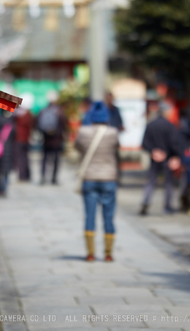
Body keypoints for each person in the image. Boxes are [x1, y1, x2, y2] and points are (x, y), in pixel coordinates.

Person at [75, 101, 120, 261]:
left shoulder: (83, 132)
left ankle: (90, 253)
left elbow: (78, 148)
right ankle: (108, 254)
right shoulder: (113, 132)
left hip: (89, 178)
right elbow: (116, 149)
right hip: (109, 178)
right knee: (108, 216)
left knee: (89, 215)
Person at [139, 102, 186, 215]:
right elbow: (174, 143)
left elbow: (144, 143)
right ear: (166, 112)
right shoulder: (170, 126)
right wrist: (176, 156)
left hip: (154, 158)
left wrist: (153, 151)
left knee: (151, 181)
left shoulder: (150, 125)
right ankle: (167, 206)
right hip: (167, 157)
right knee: (169, 183)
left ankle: (146, 201)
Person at [36, 90, 67, 185]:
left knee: (44, 159)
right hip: (57, 140)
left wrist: (45, 132)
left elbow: (38, 125)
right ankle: (54, 178)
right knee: (56, 159)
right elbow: (64, 125)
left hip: (46, 140)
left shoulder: (43, 111)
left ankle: (43, 177)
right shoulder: (60, 111)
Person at [13, 97, 34, 182]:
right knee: (26, 157)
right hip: (26, 139)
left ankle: (22, 175)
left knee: (20, 158)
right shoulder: (29, 114)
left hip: (19, 139)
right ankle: (27, 175)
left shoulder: (18, 115)